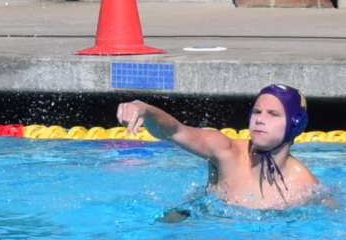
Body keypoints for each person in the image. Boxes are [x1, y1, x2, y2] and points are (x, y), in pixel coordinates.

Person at [116, 84, 319, 210]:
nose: (260, 120)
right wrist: (145, 110)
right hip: (196, 226)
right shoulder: (226, 151)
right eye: (257, 112)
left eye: (273, 114)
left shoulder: (305, 185)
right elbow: (176, 131)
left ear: (296, 124)